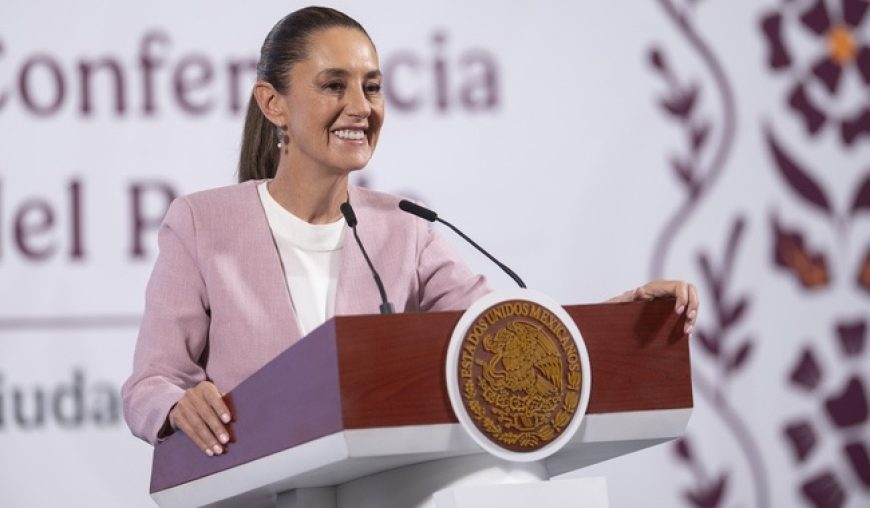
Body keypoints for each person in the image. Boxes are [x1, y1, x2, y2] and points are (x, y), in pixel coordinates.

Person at [121, 6, 699, 458]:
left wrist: (617, 323)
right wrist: (177, 407)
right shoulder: (201, 222)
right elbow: (151, 382)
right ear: (273, 103)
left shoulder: (405, 226)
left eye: (371, 87)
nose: (360, 107)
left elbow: (501, 337)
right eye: (333, 85)